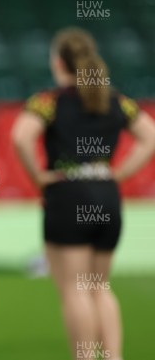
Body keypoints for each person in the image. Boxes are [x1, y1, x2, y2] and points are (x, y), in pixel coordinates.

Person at [12, 27, 155, 360]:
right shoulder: (116, 100)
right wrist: (118, 173)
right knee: (100, 286)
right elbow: (150, 137)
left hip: (68, 195)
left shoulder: (49, 102)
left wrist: (39, 177)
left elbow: (21, 137)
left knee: (75, 289)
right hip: (107, 195)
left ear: (60, 62)